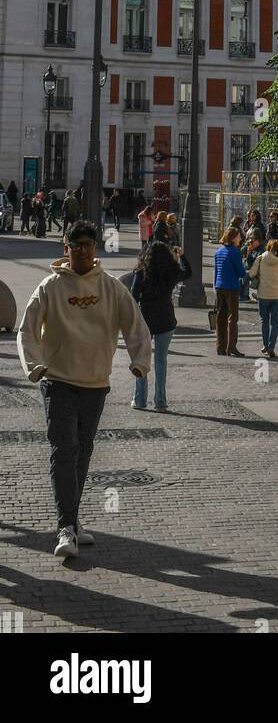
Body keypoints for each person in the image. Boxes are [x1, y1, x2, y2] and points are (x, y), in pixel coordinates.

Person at [16, 219, 152, 560]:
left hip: (95, 383)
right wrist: (34, 365)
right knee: (64, 449)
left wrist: (140, 361)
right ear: (67, 248)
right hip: (58, 381)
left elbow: (135, 324)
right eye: (75, 245)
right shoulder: (49, 287)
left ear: (96, 248)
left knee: (82, 451)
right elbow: (27, 331)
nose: (82, 250)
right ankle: (65, 526)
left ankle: (73, 521)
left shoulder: (109, 287)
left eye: (87, 244)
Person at [130, 241, 191, 411]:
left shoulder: (141, 272)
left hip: (145, 321)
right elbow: (188, 272)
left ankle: (140, 400)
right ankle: (160, 402)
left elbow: (133, 296)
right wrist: (182, 255)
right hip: (166, 320)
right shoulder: (171, 272)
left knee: (142, 360)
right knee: (161, 361)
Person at [248, 240, 278, 357]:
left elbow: (252, 273)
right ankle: (271, 346)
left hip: (263, 294)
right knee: (275, 323)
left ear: (268, 247)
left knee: (264, 321)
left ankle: (265, 345)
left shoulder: (261, 258)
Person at [213, 226, 247, 357]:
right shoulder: (235, 252)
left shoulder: (219, 252)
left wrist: (216, 285)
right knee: (232, 318)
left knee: (220, 317)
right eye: (238, 236)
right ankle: (231, 346)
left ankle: (220, 346)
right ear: (233, 238)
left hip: (219, 286)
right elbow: (241, 272)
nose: (240, 238)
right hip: (232, 287)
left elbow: (216, 271)